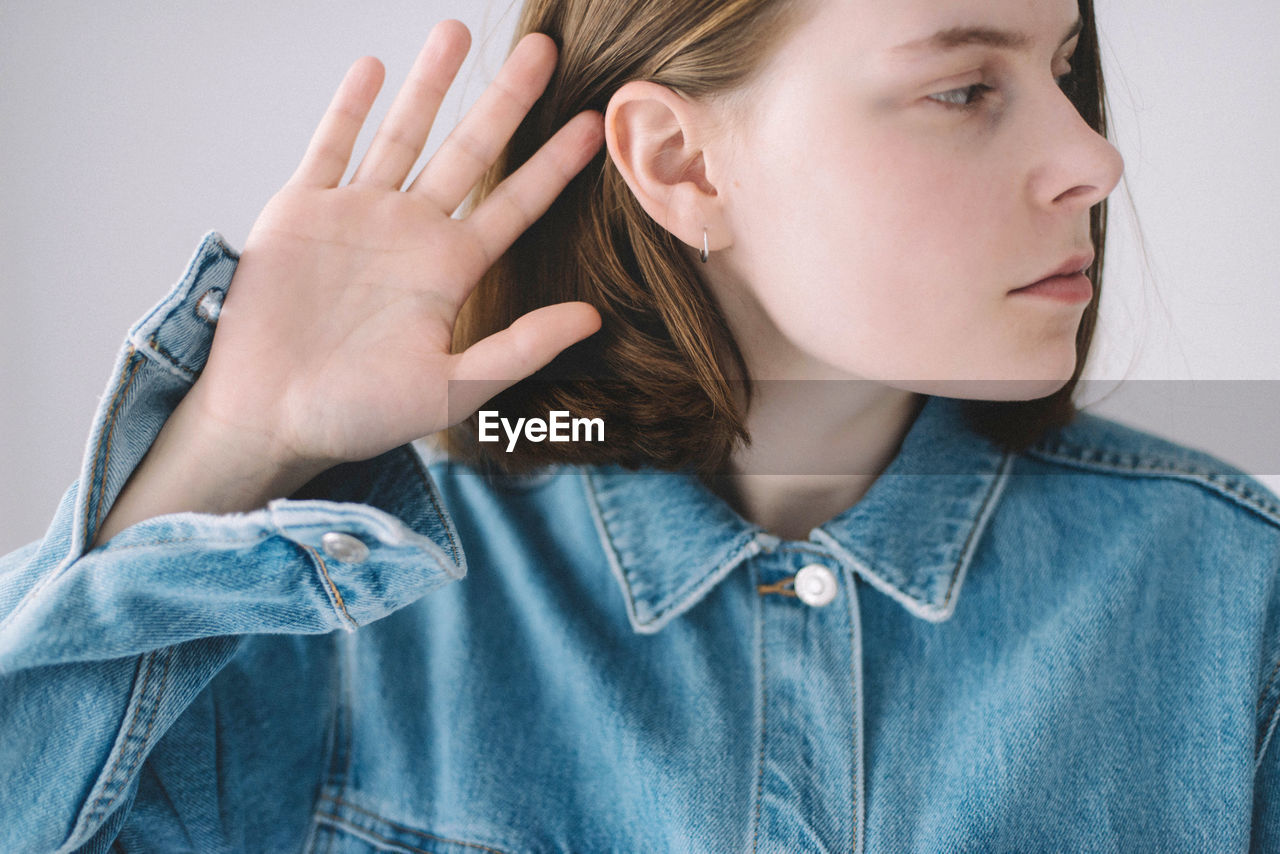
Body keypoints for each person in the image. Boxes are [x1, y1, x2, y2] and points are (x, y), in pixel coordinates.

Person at [2, 0, 1278, 851]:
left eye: (1062, 72)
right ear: (679, 165)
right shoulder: (336, 615)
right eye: (961, 88)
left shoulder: (1236, 602)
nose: (1093, 158)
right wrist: (230, 445)